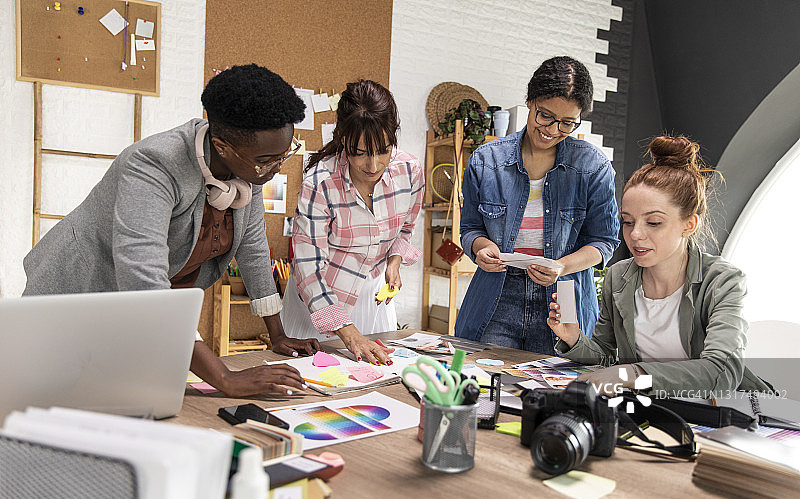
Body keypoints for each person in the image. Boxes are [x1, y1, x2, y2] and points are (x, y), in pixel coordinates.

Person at [22, 64, 319, 397]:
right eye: (266, 159)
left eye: (283, 155)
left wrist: (277, 335)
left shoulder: (249, 170)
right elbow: (143, 279)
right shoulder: (153, 164)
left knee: (132, 401)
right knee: (59, 401)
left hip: (137, 314)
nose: (275, 168)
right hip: (76, 300)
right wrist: (224, 378)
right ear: (222, 146)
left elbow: (253, 248)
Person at [548, 135, 770, 397]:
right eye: (628, 222)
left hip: (722, 411)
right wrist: (574, 338)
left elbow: (722, 371)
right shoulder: (619, 277)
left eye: (653, 223)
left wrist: (633, 374)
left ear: (689, 224)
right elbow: (606, 357)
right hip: (652, 408)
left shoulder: (722, 281)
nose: (635, 235)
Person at [456, 56, 620, 354]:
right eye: (545, 116)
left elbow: (604, 242)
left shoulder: (592, 166)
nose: (553, 130)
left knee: (557, 381)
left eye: (567, 123)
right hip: (497, 295)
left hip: (563, 297)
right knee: (487, 379)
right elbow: (469, 229)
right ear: (530, 101)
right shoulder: (486, 161)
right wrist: (481, 247)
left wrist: (561, 266)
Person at [281, 80, 424, 365]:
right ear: (343, 139)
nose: (373, 165)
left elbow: (406, 228)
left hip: (372, 300)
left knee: (379, 378)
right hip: (318, 304)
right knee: (315, 381)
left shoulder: (409, 172)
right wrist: (349, 334)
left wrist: (394, 261)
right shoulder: (320, 183)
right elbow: (308, 269)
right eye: (360, 153)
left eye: (383, 150)